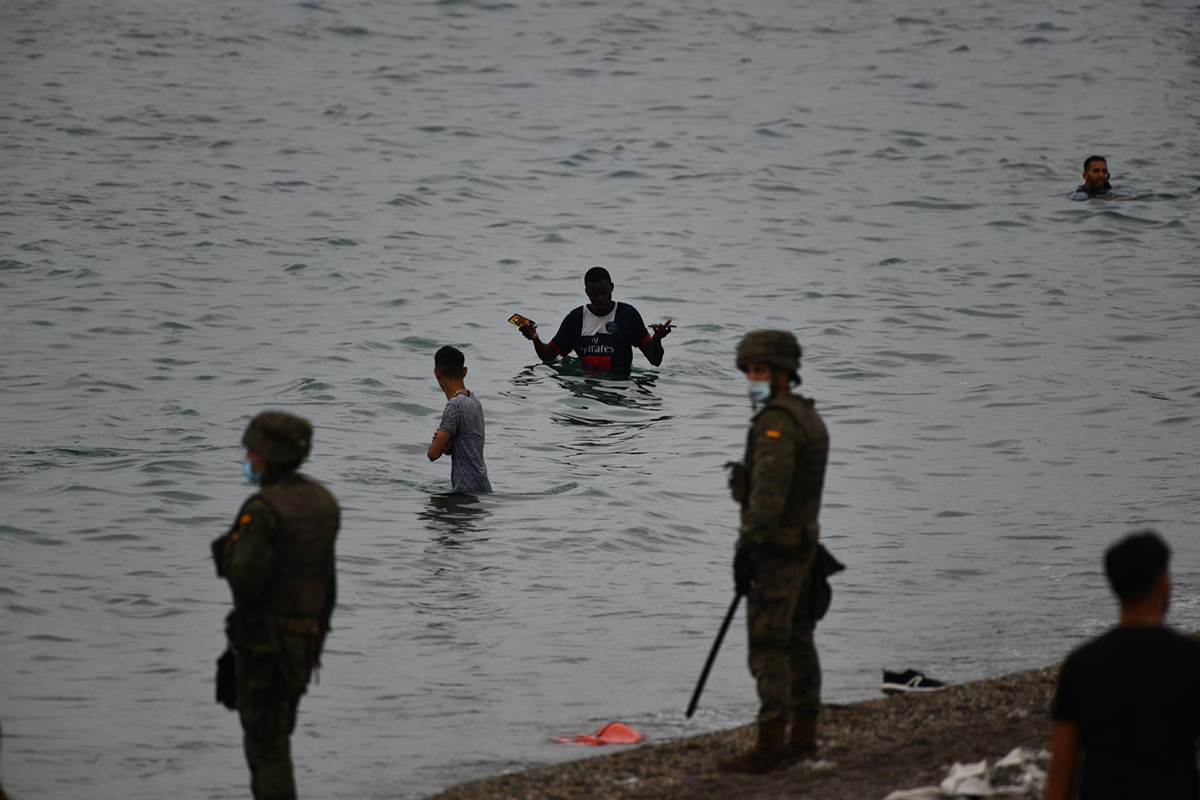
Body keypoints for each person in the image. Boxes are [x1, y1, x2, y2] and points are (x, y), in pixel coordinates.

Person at [212, 411, 340, 800]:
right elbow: (328, 583)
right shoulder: (323, 501)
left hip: (265, 647)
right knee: (279, 735)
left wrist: (227, 550)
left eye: (251, 451)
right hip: (305, 642)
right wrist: (317, 642)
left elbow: (245, 578)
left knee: (266, 747)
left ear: (268, 455)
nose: (248, 458)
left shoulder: (263, 509)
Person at [719, 330, 830, 773]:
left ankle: (771, 745)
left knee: (769, 648)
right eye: (748, 370)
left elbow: (768, 497)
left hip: (778, 554)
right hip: (804, 548)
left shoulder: (777, 424)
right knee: (801, 643)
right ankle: (804, 740)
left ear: (785, 374)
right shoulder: (807, 416)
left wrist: (748, 549)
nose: (752, 378)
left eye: (760, 370)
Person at [1047, 530, 1200, 800]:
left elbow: (1062, 767)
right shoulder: (1190, 657)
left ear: (1114, 586)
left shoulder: (1081, 664)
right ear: (1164, 582)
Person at [518, 266, 672, 375]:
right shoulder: (576, 318)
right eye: (594, 294)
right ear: (586, 292)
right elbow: (548, 355)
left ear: (612, 288)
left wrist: (656, 339)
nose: (600, 299)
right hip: (586, 387)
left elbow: (655, 361)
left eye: (604, 292)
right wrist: (535, 339)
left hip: (620, 385)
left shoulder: (628, 315)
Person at [428, 345, 492, 494]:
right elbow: (466, 444)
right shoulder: (474, 400)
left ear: (437, 373)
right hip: (482, 486)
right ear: (464, 371)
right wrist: (448, 444)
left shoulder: (454, 405)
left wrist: (438, 442)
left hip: (465, 490)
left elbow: (433, 454)